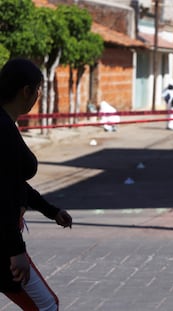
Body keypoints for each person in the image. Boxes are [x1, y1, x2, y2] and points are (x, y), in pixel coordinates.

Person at [0, 58, 73, 310]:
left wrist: (51, 211)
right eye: (38, 89)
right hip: (4, 245)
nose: (39, 95)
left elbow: (14, 183)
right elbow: (3, 196)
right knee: (46, 306)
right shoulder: (3, 130)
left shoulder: (6, 124)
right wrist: (16, 251)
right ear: (26, 91)